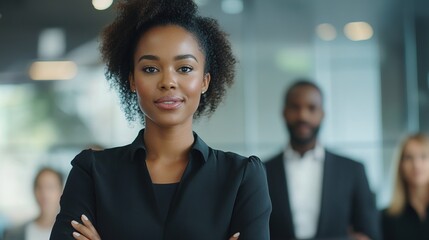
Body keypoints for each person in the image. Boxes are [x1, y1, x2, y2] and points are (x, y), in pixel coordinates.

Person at [49, 0, 272, 239]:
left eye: (184, 68)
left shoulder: (241, 178)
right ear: (132, 80)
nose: (168, 81)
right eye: (151, 69)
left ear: (205, 81)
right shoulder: (91, 173)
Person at [264, 80, 380, 240]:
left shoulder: (352, 170)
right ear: (284, 113)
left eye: (311, 108)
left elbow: (369, 233)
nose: (302, 116)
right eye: (295, 107)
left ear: (322, 114)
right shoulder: (262, 171)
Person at [381, 133, 429, 240]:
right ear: (400, 165)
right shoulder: (385, 218)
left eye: (424, 156)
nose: (416, 164)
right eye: (409, 158)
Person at [4, 167, 63, 240]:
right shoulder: (14, 234)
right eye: (39, 187)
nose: (44, 194)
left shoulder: (73, 232)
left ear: (61, 191)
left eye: (50, 187)